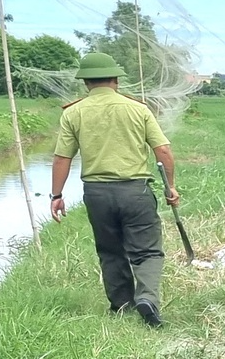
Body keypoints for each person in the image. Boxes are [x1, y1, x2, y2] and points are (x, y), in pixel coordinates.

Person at [49, 52, 178, 326]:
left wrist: (57, 195)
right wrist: (170, 188)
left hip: (96, 193)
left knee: (110, 250)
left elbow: (62, 157)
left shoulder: (73, 112)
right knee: (147, 251)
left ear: (86, 83)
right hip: (136, 191)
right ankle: (148, 299)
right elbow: (163, 151)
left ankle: (121, 305)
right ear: (116, 79)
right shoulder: (138, 109)